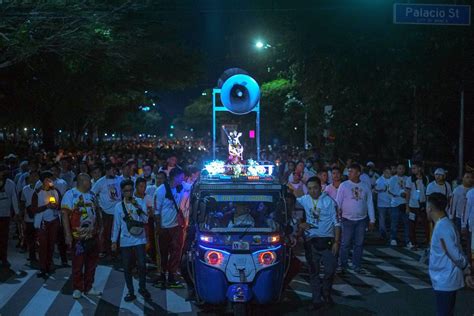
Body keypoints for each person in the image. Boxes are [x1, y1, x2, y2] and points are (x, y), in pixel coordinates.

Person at [293, 177, 340, 310]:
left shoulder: (329, 202)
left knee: (330, 271)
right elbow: (290, 207)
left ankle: (326, 293)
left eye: (315, 188)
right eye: (310, 188)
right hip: (311, 241)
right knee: (313, 272)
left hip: (327, 241)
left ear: (321, 188)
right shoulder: (304, 200)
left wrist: (337, 242)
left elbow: (337, 223)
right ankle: (316, 299)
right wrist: (300, 223)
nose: (313, 191)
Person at [427, 193, 474, 316]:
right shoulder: (444, 224)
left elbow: (454, 253)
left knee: (444, 313)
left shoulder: (443, 227)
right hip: (444, 277)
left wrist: (466, 270)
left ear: (429, 208)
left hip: (445, 278)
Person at [61, 173, 101, 299]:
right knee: (78, 264)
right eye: (89, 181)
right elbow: (64, 215)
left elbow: (97, 211)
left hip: (92, 236)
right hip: (78, 237)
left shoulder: (92, 195)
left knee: (91, 263)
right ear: (82, 181)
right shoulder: (70, 195)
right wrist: (68, 235)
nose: (91, 183)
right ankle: (78, 287)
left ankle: (88, 287)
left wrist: (100, 228)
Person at [111, 179, 150, 301]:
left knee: (142, 265)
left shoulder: (139, 202)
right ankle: (130, 291)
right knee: (127, 266)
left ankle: (142, 287)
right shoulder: (118, 206)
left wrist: (137, 207)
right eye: (126, 191)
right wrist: (113, 241)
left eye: (130, 190)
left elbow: (146, 220)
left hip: (139, 239)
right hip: (125, 240)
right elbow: (116, 224)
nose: (129, 193)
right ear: (122, 192)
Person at [336, 163, 375, 274]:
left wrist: (372, 220)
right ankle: (343, 265)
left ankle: (356, 265)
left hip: (361, 220)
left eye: (352, 171)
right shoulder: (344, 185)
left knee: (359, 243)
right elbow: (338, 202)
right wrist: (337, 216)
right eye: (349, 171)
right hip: (347, 219)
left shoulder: (365, 186)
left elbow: (370, 203)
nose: (349, 174)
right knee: (345, 243)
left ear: (358, 173)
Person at [154, 167, 187, 288]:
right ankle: (162, 276)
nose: (183, 179)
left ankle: (172, 276)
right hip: (164, 227)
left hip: (176, 227)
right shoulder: (161, 191)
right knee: (163, 252)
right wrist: (159, 228)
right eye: (181, 177)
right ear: (176, 177)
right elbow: (156, 212)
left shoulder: (181, 187)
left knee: (176, 252)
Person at [31, 171, 61, 278]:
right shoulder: (37, 192)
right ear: (43, 181)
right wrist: (46, 206)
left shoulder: (56, 191)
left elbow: (60, 205)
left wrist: (55, 206)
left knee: (51, 245)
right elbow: (33, 209)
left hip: (54, 221)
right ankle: (42, 268)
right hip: (42, 223)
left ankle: (49, 264)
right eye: (48, 179)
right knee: (43, 246)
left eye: (51, 179)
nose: (50, 181)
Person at [92, 162, 122, 259]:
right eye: (112, 170)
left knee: (118, 232)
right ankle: (109, 252)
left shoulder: (119, 179)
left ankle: (117, 251)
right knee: (108, 233)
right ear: (107, 171)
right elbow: (92, 194)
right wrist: (98, 205)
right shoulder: (100, 182)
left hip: (118, 211)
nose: (114, 172)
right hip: (106, 212)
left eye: (115, 170)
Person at [405, 162, 430, 248]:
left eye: (414, 168)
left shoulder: (425, 178)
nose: (413, 170)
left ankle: (427, 241)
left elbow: (427, 192)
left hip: (422, 205)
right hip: (413, 205)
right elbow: (407, 193)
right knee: (412, 225)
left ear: (419, 168)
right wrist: (407, 206)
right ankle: (413, 242)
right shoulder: (409, 179)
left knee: (426, 224)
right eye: (412, 168)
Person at [0, 164, 20, 268]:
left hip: (5, 215)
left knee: (4, 238)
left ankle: (4, 258)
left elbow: (14, 198)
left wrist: (16, 212)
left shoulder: (10, 183)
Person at [20, 170, 40, 264]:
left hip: (39, 217)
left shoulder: (42, 189)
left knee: (40, 239)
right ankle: (32, 257)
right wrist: (22, 217)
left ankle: (42, 257)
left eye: (35, 176)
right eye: (32, 176)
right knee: (30, 239)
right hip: (28, 218)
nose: (33, 178)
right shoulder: (25, 189)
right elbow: (22, 203)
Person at [388, 163, 410, 248]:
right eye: (399, 168)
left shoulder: (407, 179)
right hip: (395, 204)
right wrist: (399, 194)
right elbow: (390, 191)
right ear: (397, 169)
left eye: (403, 169)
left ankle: (407, 240)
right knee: (394, 223)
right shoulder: (393, 179)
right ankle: (393, 238)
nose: (401, 170)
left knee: (406, 223)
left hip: (405, 203)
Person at [451, 172, 473, 255]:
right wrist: (451, 217)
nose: (469, 179)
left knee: (469, 239)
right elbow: (453, 205)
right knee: (458, 237)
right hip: (459, 218)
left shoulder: (472, 190)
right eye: (467, 177)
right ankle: (457, 255)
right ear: (463, 179)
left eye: (471, 177)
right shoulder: (457, 190)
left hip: (470, 219)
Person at [374, 166, 392, 241]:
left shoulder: (392, 179)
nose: (389, 174)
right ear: (384, 172)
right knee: (382, 220)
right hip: (382, 204)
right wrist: (381, 189)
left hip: (391, 203)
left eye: (390, 173)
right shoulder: (379, 180)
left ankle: (391, 235)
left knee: (391, 220)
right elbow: (375, 190)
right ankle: (383, 234)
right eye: (387, 172)